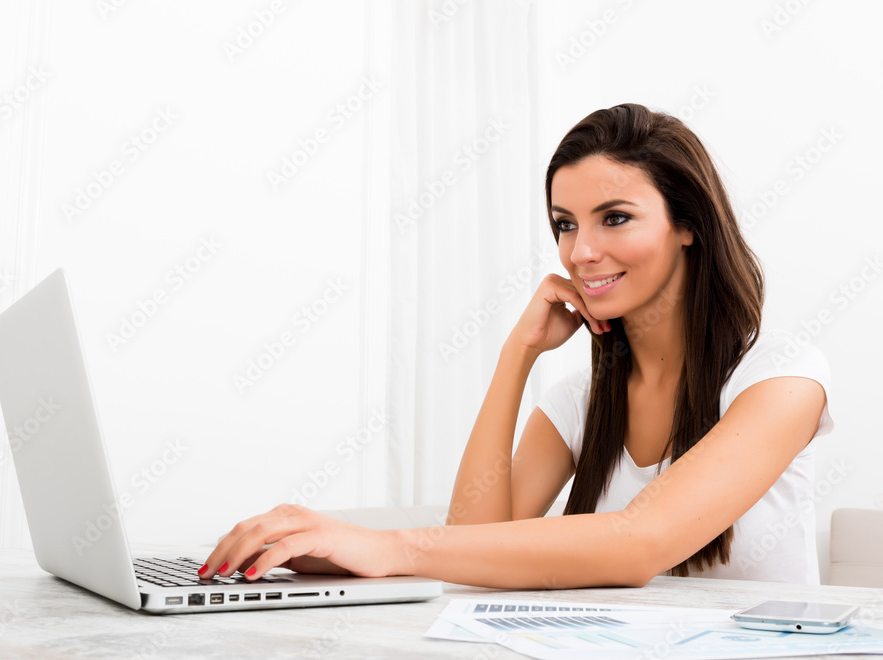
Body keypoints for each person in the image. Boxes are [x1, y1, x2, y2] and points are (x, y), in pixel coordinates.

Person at [200, 103, 833, 588]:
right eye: (565, 224)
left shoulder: (782, 379)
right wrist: (517, 355)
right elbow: (476, 548)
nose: (581, 251)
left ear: (688, 225)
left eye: (615, 218)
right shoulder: (580, 402)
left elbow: (641, 542)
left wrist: (387, 547)